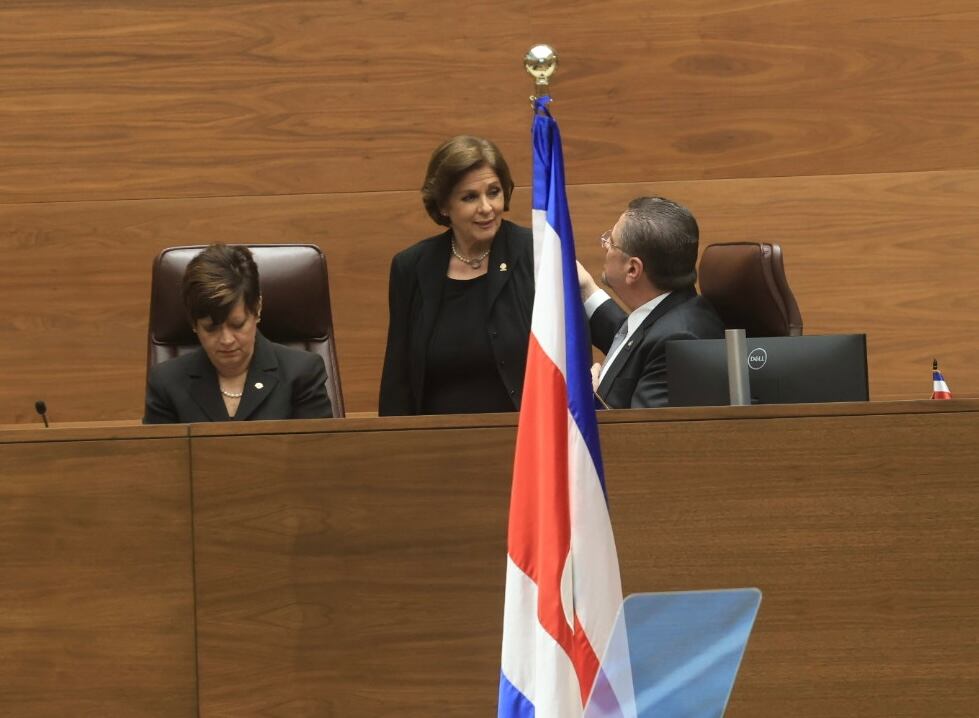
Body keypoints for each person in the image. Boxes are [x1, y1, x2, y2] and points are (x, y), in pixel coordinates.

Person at [379, 136, 534, 415]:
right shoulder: (412, 267)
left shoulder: (535, 252)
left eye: (494, 191)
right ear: (443, 205)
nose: (486, 207)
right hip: (436, 446)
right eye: (470, 197)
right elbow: (398, 378)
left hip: (523, 442)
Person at [143, 244, 332, 423]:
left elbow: (317, 454)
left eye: (237, 325)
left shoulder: (302, 374)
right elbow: (158, 456)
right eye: (211, 327)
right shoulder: (166, 383)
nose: (226, 340)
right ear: (193, 323)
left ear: (257, 309)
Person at [577, 196, 725, 408]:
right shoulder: (673, 310)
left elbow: (646, 436)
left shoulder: (679, 342)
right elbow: (634, 344)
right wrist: (587, 289)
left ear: (633, 269)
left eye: (610, 242)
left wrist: (589, 402)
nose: (605, 247)